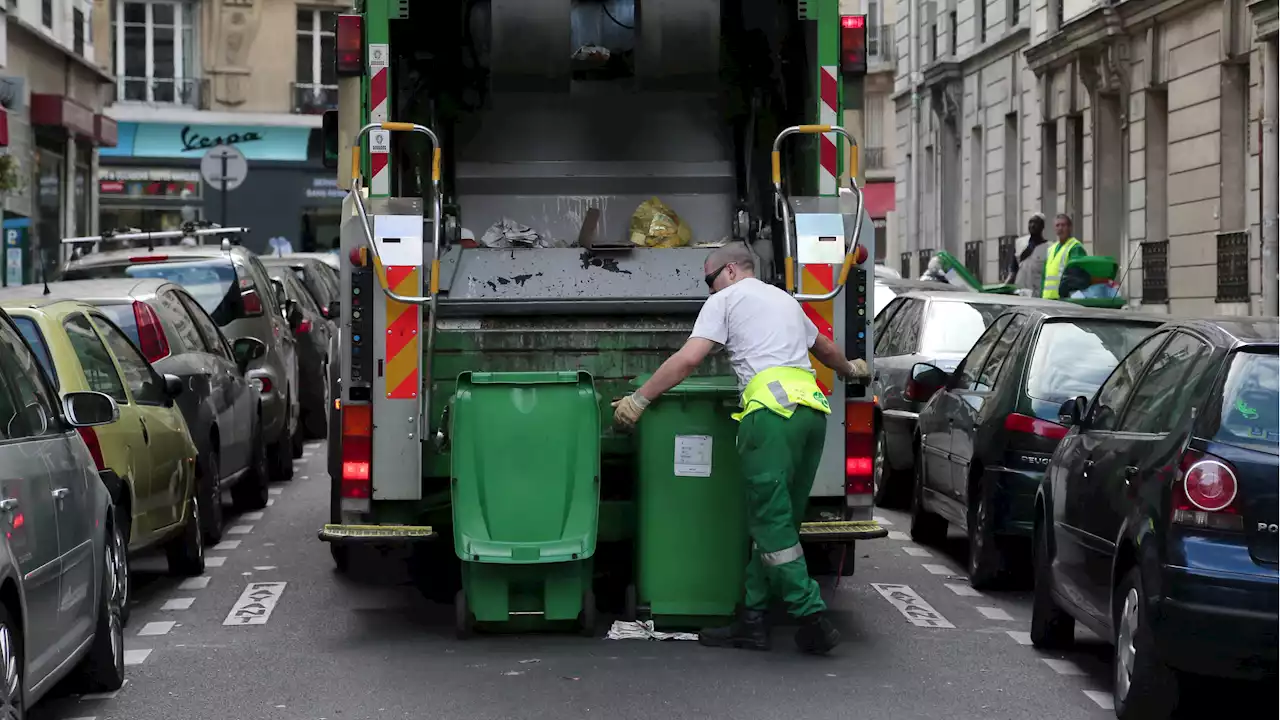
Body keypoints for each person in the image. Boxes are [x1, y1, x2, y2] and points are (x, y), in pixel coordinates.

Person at [612, 243, 868, 655]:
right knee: (776, 525)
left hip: (769, 418)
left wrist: (640, 399)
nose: (709, 291)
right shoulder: (784, 299)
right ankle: (753, 620)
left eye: (709, 281)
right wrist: (851, 369)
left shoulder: (727, 299)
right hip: (811, 417)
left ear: (729, 271)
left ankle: (810, 616)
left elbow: (688, 359)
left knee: (772, 526)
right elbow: (824, 349)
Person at [1042, 214, 1086, 299]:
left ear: (1070, 228)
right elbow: (1044, 277)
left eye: (1063, 225)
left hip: (1063, 299)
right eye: (1057, 225)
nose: (1060, 228)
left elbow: (1077, 277)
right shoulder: (1051, 249)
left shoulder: (1075, 247)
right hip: (1047, 299)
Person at [1004, 212, 1048, 285]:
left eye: (1036, 223)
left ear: (1042, 226)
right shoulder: (1019, 243)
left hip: (1037, 292)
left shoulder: (1049, 248)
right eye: (1030, 222)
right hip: (1019, 291)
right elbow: (1013, 272)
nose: (1032, 225)